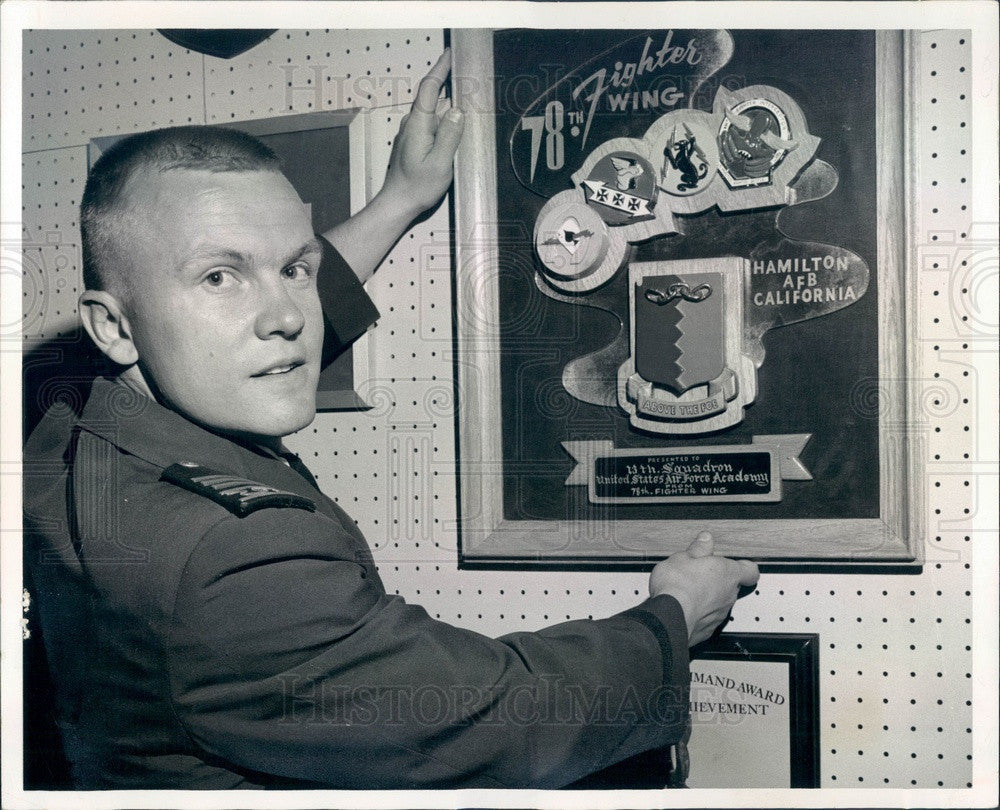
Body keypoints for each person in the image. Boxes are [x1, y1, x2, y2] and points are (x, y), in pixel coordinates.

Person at [22, 50, 759, 790]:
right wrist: (672, 618)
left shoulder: (65, 418)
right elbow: (496, 716)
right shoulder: (230, 560)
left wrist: (397, 201)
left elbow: (237, 329)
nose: (286, 318)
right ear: (113, 328)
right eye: (219, 278)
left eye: (294, 269)